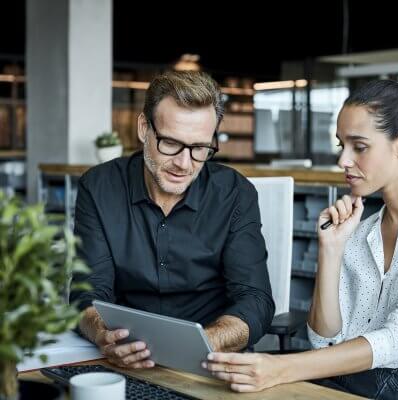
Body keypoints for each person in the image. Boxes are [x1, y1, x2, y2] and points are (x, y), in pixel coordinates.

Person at [202, 79, 398, 400]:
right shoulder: (360, 229)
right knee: (221, 382)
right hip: (342, 376)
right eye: (342, 145)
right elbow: (323, 340)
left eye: (359, 146)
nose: (343, 161)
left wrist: (280, 369)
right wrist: (330, 250)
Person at [70, 71, 274, 369]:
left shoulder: (235, 194)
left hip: (210, 360)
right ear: (144, 128)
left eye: (200, 148)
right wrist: (103, 335)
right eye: (170, 143)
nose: (184, 163)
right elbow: (86, 293)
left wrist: (202, 343)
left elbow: (255, 301)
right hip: (124, 358)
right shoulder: (99, 187)